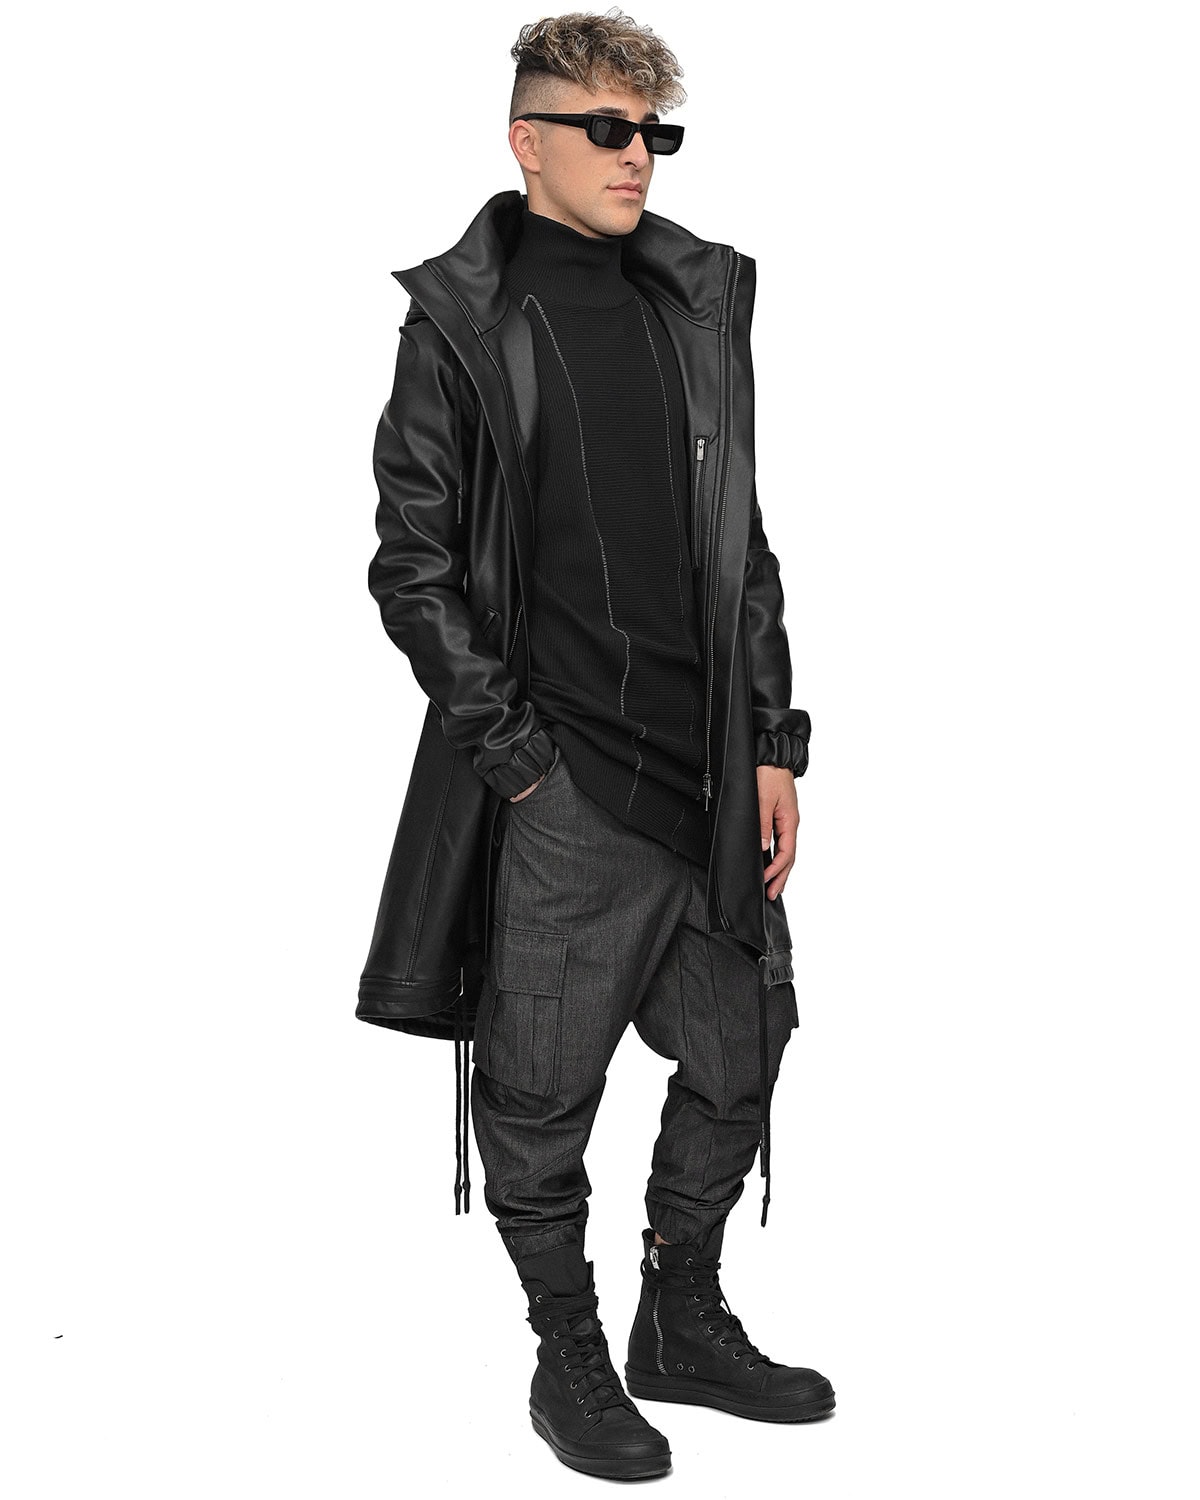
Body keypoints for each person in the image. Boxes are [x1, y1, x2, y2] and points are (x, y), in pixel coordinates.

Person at [357, 8, 834, 1479]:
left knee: (746, 1045)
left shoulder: (690, 306)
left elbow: (741, 546)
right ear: (528, 141)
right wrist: (516, 756)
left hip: (709, 774)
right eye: (609, 131)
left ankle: (678, 1315)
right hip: (565, 778)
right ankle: (567, 1347)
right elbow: (411, 568)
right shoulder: (462, 322)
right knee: (540, 1092)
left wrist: (774, 742)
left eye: (655, 133)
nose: (639, 159)